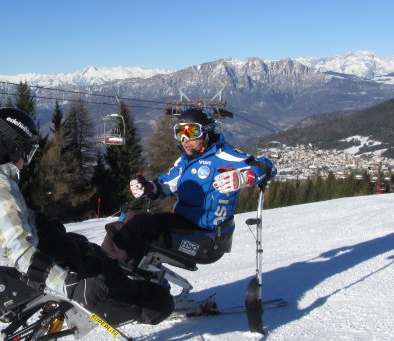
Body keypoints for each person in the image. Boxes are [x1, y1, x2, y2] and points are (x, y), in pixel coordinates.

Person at [0, 107, 172, 331]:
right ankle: (145, 303)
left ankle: (120, 278)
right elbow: (22, 255)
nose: (27, 161)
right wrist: (71, 286)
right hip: (11, 277)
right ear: (10, 145)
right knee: (104, 274)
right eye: (28, 152)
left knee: (78, 246)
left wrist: (35, 221)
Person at [102, 107, 276, 267]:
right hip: (183, 224)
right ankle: (111, 266)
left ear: (207, 132)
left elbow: (268, 167)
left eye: (191, 132)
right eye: (180, 132)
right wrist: (147, 188)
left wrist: (245, 176)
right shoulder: (186, 160)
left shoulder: (224, 155)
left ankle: (109, 272)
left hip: (208, 238)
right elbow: (165, 185)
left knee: (139, 226)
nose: (185, 139)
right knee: (131, 218)